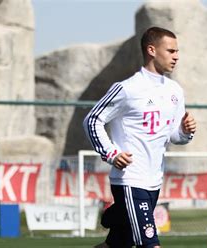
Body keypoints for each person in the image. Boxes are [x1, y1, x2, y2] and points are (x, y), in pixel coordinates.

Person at [83, 26, 196, 248]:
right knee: (150, 244)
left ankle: (115, 216)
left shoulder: (175, 91)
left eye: (177, 51)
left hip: (154, 180)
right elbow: (92, 120)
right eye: (171, 51)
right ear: (152, 50)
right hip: (130, 179)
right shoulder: (127, 89)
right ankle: (118, 212)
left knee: (117, 243)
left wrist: (185, 131)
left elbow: (174, 136)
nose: (176, 56)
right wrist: (111, 153)